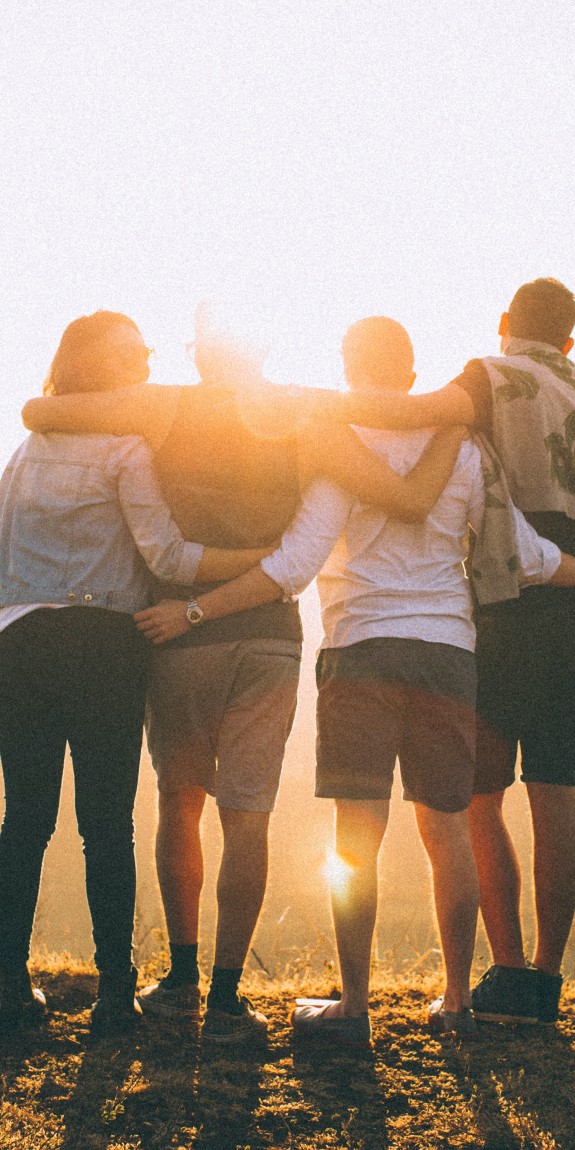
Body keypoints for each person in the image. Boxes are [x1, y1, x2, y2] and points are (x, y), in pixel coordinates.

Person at [21, 315, 467, 1045]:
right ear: (265, 348)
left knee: (179, 800)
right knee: (248, 815)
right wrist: (455, 419)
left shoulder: (162, 404)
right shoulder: (303, 412)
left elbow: (42, 410)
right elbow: (402, 476)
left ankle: (180, 981)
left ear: (198, 351)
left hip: (178, 633)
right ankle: (228, 999)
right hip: (269, 637)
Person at [134, 316, 575, 1041]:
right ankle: (458, 1003)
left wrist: (196, 609)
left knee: (355, 838)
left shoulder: (337, 447)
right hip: (447, 655)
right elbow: (526, 555)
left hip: (360, 651)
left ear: (347, 367)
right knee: (447, 832)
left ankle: (353, 1008)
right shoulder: (463, 449)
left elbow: (293, 566)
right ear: (410, 375)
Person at [292, 279, 575, 1026]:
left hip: (420, 634)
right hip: (481, 634)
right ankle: (497, 990)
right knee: (501, 813)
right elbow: (526, 549)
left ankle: (381, 999)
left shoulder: (472, 388)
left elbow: (304, 550)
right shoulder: (515, 421)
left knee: (405, 818)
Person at [0, 310, 275, 1038]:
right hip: (103, 648)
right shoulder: (126, 450)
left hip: (19, 645)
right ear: (109, 370)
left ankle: (5, 988)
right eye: (136, 354)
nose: (148, 362)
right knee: (106, 826)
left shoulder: (27, 451)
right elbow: (168, 559)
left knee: (22, 821)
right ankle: (115, 995)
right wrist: (260, 563)